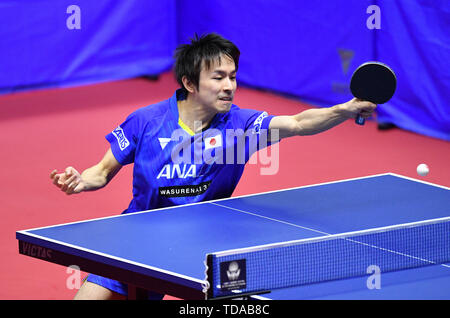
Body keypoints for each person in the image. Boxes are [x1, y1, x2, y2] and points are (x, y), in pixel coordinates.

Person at [50, 33, 376, 300]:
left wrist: (345, 109)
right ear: (190, 83)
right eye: (218, 77)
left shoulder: (241, 126)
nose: (229, 86)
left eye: (232, 77)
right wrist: (82, 180)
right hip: (137, 238)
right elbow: (102, 171)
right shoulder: (147, 121)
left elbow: (299, 123)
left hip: (204, 246)